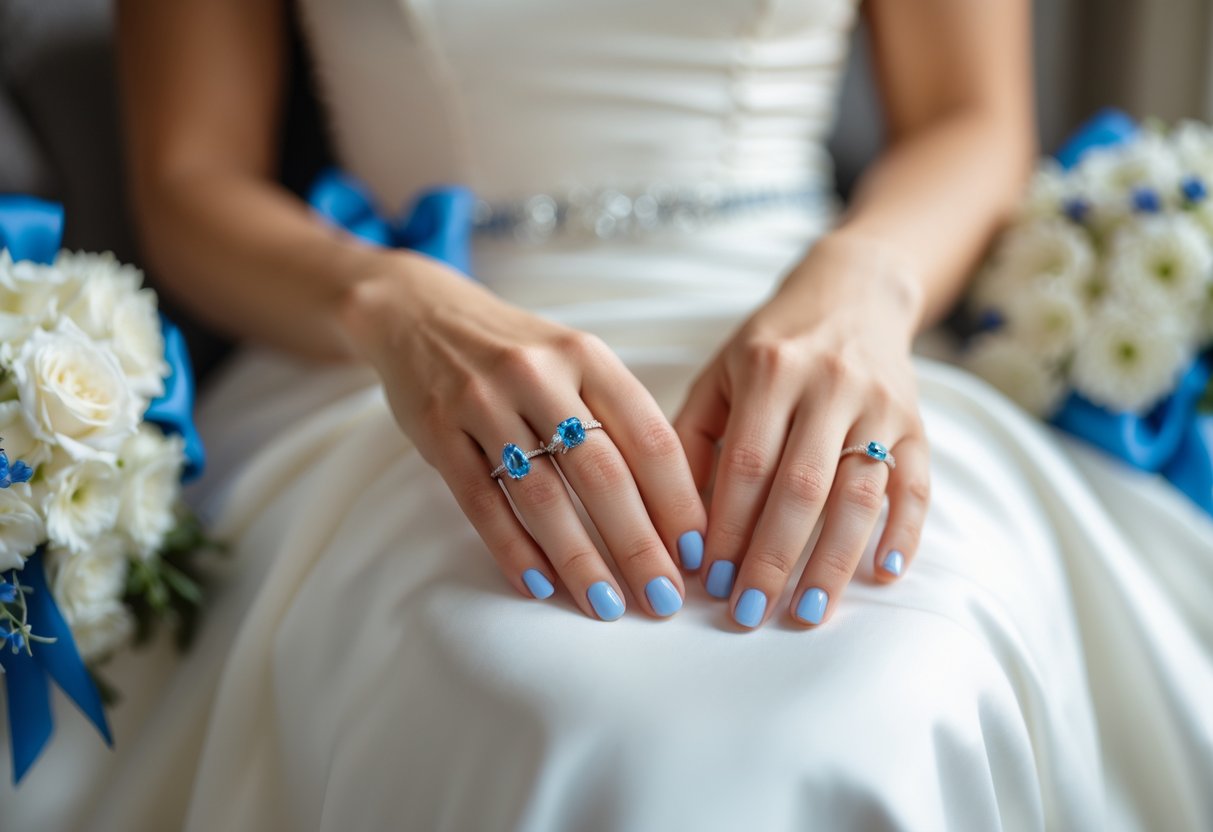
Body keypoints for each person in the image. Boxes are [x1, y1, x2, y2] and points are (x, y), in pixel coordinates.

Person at [63, 0, 1213, 829]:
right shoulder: (398, 326)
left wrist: (865, 290)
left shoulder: (852, 307)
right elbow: (189, 180)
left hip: (822, 323)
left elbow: (969, 117)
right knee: (524, 702)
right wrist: (395, 305)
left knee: (887, 689)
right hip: (400, 358)